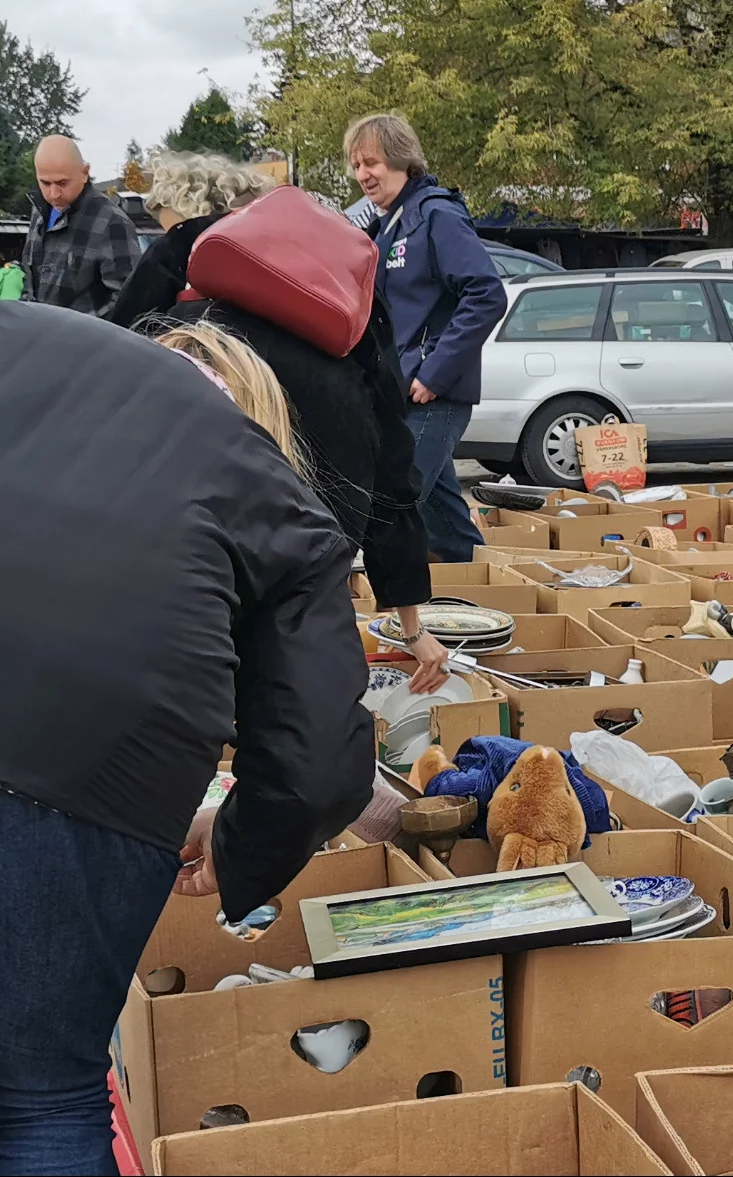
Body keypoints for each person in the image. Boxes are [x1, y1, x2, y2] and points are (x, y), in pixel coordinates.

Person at [0, 303, 371, 1173]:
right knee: (42, 1093)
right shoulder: (264, 483)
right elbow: (319, 759)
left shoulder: (35, 344)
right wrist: (240, 850)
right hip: (89, 767)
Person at [110, 152, 450, 691]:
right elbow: (392, 459)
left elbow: (109, 367)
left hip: (190, 545)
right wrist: (411, 624)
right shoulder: (335, 280)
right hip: (326, 510)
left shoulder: (177, 264)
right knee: (305, 680)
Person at [344, 114, 506, 561]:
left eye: (371, 162)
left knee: (392, 504)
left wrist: (435, 372)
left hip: (434, 395)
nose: (362, 175)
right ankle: (486, 595)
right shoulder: (390, 223)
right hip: (405, 393)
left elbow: (487, 295)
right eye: (356, 165)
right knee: (444, 521)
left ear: (400, 158)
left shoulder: (437, 215)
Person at [19, 135, 140, 316]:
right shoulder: (39, 211)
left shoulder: (112, 223)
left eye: (62, 183)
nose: (54, 194)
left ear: (85, 173)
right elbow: (28, 278)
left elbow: (128, 300)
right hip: (38, 336)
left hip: (86, 341)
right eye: (45, 183)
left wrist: (79, 331)